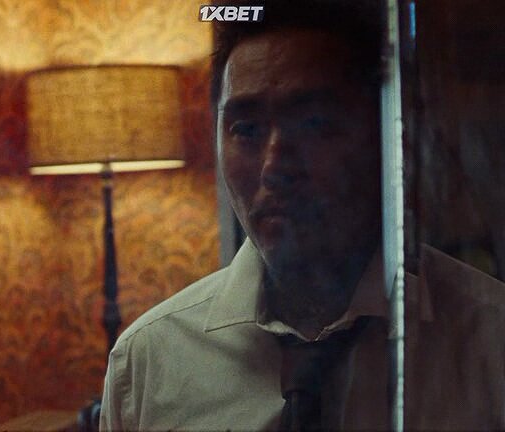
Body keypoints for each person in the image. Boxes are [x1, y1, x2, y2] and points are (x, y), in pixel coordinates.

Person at [99, 1, 505, 430]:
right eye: (246, 129)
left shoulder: (489, 340)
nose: (275, 166)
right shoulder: (149, 361)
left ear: (387, 134)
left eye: (314, 123)